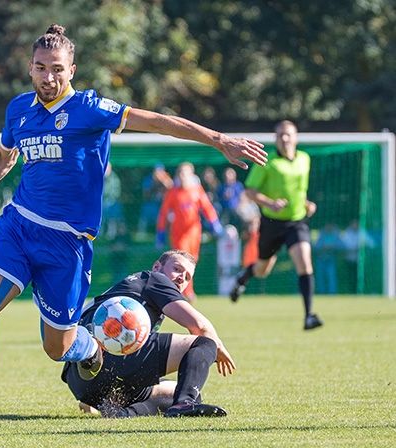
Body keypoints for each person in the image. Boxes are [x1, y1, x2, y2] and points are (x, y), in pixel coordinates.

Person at [0, 24, 267, 433]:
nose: (48, 77)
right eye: (40, 68)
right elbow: (3, 160)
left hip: (67, 245)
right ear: (30, 69)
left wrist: (217, 140)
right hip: (19, 226)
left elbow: (158, 121)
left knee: (58, 348)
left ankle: (88, 348)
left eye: (56, 69)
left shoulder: (90, 108)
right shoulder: (18, 109)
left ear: (71, 70)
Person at [63, 250, 235, 418]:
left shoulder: (127, 288)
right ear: (157, 267)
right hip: (110, 361)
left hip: (81, 379)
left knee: (185, 391)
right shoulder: (154, 279)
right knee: (204, 343)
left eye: (188, 277)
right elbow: (199, 326)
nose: (182, 277)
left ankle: (123, 413)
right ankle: (185, 404)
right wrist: (215, 348)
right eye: (177, 269)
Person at [229, 120, 323, 330]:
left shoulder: (304, 159)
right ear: (276, 138)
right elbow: (250, 191)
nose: (285, 138)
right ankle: (242, 278)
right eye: (280, 135)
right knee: (263, 269)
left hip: (296, 222)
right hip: (271, 222)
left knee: (305, 263)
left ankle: (309, 315)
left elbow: (299, 189)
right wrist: (270, 203)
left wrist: (307, 204)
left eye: (288, 134)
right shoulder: (267, 161)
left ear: (296, 137)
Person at [156, 162, 223, 302]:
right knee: (182, 261)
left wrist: (214, 223)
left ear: (191, 175)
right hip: (178, 233)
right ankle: (187, 292)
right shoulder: (173, 192)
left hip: (194, 232)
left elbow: (207, 207)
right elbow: (163, 213)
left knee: (193, 260)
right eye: (180, 174)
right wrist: (161, 231)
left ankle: (184, 290)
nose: (183, 177)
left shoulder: (196, 190)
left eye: (185, 173)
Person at [136, 163, 173, 237]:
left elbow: (172, 191)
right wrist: (154, 183)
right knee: (148, 209)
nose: (158, 173)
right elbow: (146, 196)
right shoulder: (148, 179)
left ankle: (166, 233)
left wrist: (164, 182)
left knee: (169, 212)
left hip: (164, 204)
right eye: (157, 171)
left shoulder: (167, 178)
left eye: (160, 171)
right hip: (151, 202)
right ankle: (142, 233)